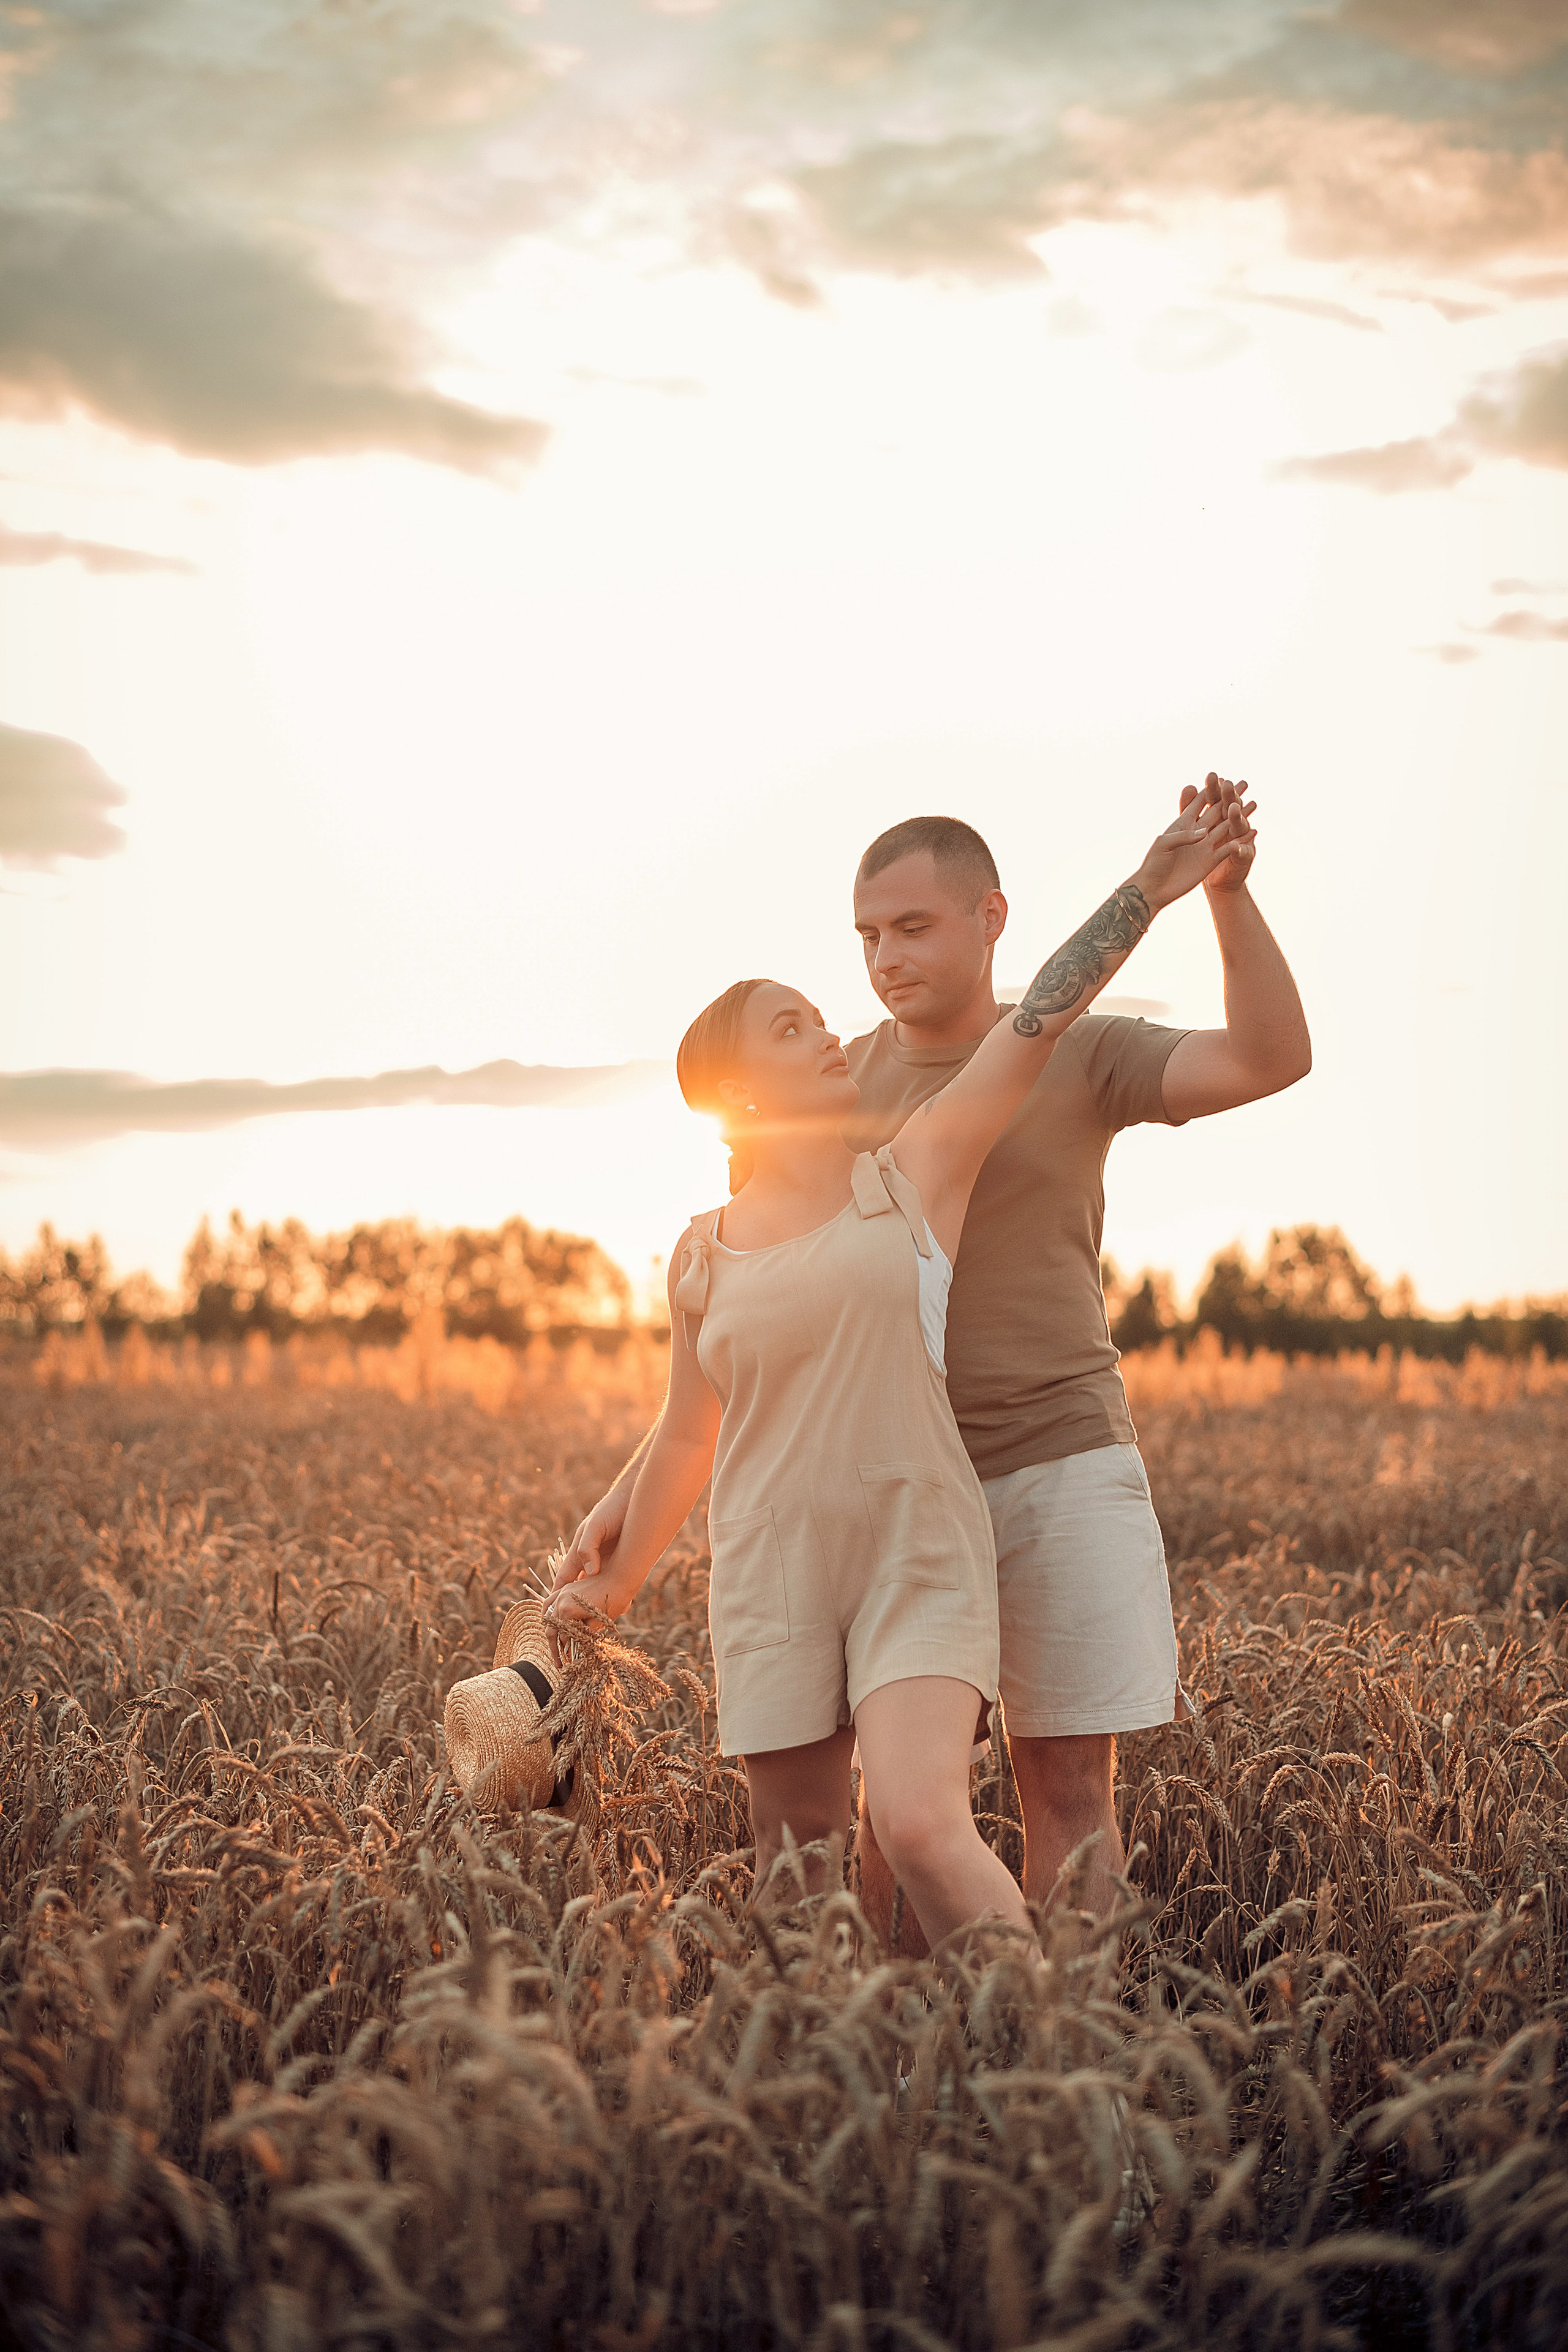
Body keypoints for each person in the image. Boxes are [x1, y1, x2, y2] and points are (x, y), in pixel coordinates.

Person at [546, 791, 1256, 1951]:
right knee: (804, 1879)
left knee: (925, 1822)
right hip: (773, 1567)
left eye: (826, 1012)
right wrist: (597, 1592)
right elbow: (690, 1428)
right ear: (737, 1093)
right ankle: (866, 2103)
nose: (840, 1023)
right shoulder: (698, 1254)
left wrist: (1156, 886)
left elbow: (1038, 1024)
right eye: (794, 1027)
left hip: (927, 1537)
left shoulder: (911, 1174)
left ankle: (1068, 2090)